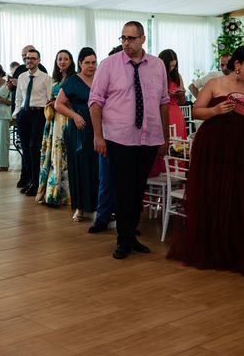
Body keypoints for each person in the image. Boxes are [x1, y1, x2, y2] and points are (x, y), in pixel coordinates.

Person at [168, 46, 244, 277]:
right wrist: (217, 110)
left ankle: (242, 249)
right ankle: (216, 247)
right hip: (215, 148)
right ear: (238, 64)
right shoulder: (214, 84)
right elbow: (198, 111)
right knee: (216, 194)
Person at [89, 21, 169, 260]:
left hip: (149, 138)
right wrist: (97, 135)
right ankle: (123, 239)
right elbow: (95, 102)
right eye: (123, 38)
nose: (126, 43)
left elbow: (164, 101)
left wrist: (164, 137)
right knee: (123, 189)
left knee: (138, 189)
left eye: (131, 38)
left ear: (143, 39)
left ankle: (131, 235)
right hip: (119, 137)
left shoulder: (157, 65)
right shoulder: (108, 65)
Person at [56, 48, 99, 221]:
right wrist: (74, 116)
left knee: (97, 167)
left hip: (99, 127)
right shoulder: (73, 81)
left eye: (93, 62)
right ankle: (80, 207)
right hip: (79, 128)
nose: (91, 66)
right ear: (80, 63)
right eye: (87, 62)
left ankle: (100, 206)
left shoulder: (100, 79)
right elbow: (58, 104)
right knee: (80, 166)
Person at [88, 45, 123, 234]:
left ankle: (126, 220)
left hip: (129, 136)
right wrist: (98, 135)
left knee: (126, 181)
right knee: (106, 178)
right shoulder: (105, 76)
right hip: (108, 134)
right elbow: (95, 104)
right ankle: (102, 218)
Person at [13, 49, 52, 197]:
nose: (29, 61)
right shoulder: (22, 77)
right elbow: (18, 98)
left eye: (33, 58)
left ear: (39, 61)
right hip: (24, 114)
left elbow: (49, 99)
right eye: (27, 58)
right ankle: (30, 181)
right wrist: (16, 115)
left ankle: (37, 183)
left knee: (34, 149)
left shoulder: (46, 78)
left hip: (39, 114)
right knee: (25, 150)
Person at [36, 50, 72, 207]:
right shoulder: (54, 81)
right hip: (53, 121)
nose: (62, 62)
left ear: (71, 61)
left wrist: (59, 103)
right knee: (53, 156)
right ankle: (52, 192)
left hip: (66, 119)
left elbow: (74, 101)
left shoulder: (74, 80)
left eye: (65, 59)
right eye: (59, 59)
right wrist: (50, 103)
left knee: (63, 155)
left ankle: (65, 194)